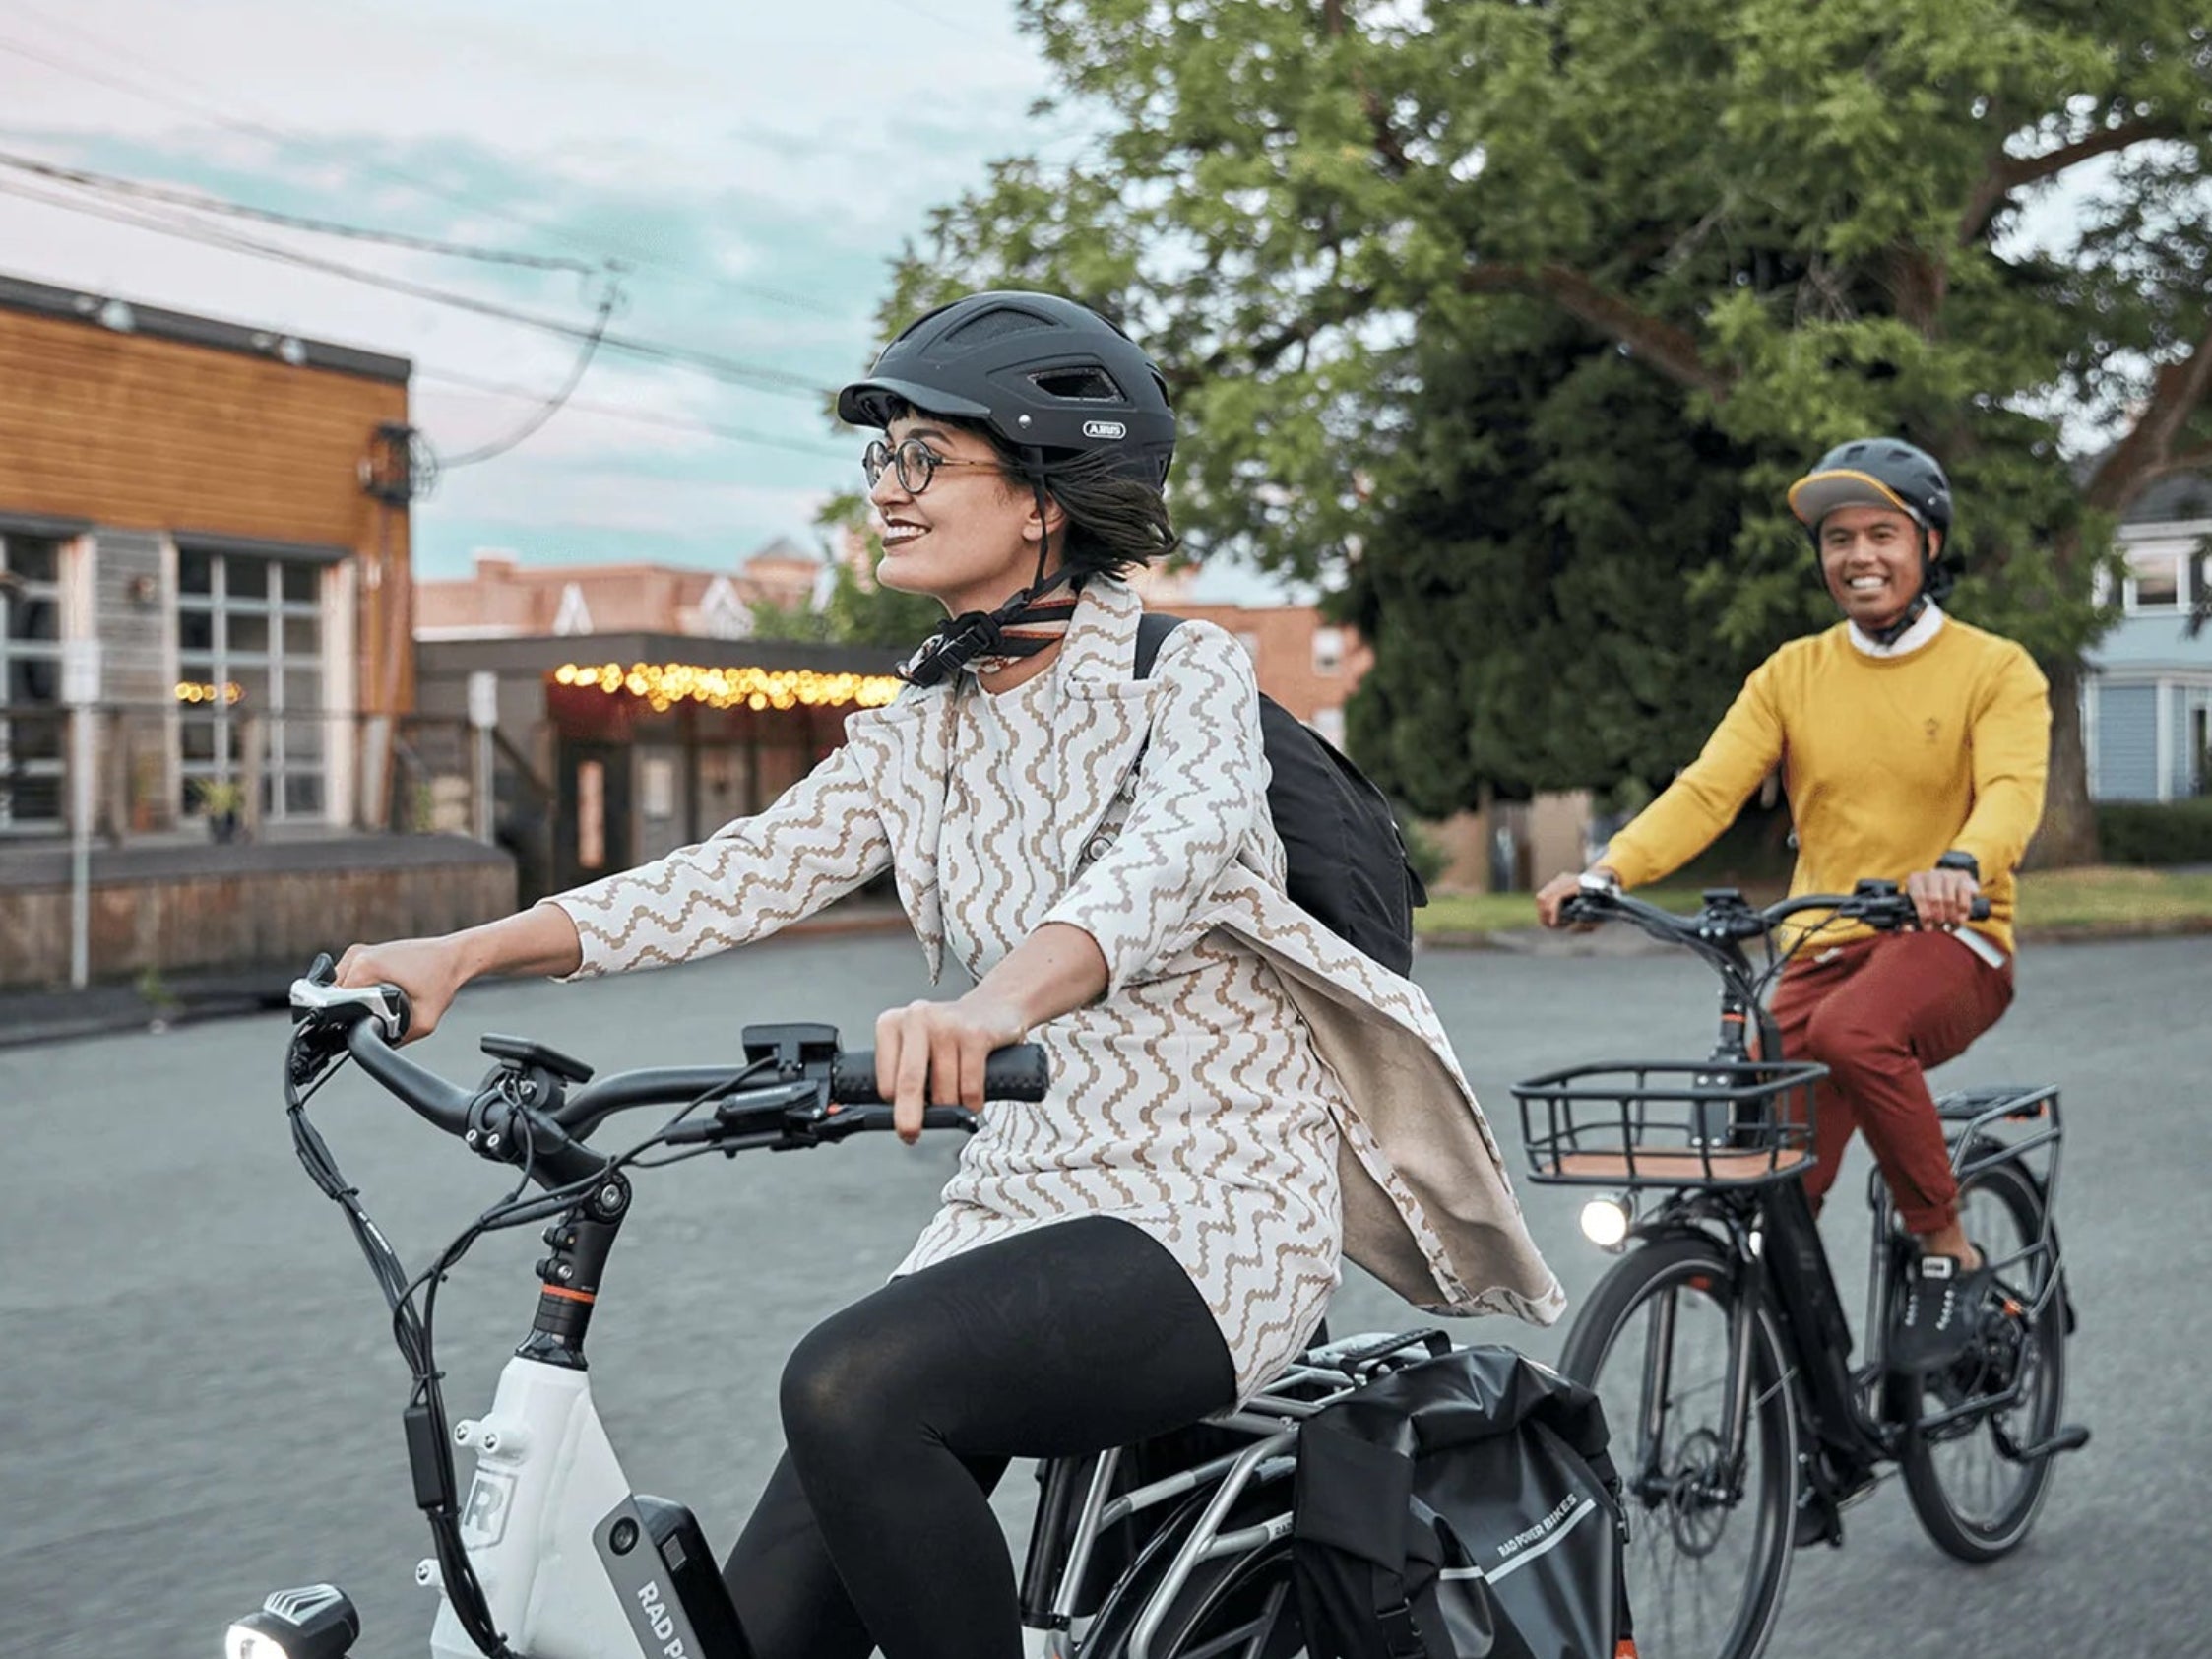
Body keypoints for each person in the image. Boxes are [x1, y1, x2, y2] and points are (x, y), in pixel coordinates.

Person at [337, 290, 1562, 1659]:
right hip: (1015, 1199)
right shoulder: (920, 725)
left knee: (851, 1385)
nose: (886, 491)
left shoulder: (1184, 677)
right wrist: (466, 950)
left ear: (1041, 495)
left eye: (924, 457)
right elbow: (730, 872)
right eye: (880, 458)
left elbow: (1161, 860)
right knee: (761, 1633)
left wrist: (995, 1003)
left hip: (1211, 1206)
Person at [1536, 436, 2051, 1375]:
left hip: (1951, 936)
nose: (1858, 555)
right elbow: (1707, 788)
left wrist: (1961, 864)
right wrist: (1609, 871)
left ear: (1928, 542)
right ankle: (1810, 1399)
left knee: (1857, 1034)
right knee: (1768, 1134)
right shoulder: (1792, 673)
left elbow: (2012, 788)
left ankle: (1946, 1243)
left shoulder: (1994, 668)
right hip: (1822, 945)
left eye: (1881, 533)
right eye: (1838, 537)